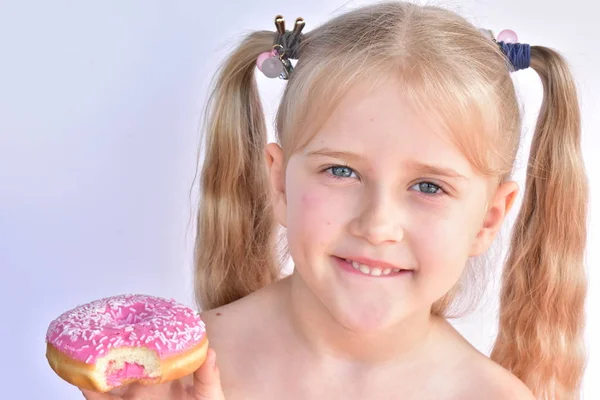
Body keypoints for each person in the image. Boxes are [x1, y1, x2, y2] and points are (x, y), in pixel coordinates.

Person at [83, 1, 589, 399]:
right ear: (279, 185)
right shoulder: (173, 374)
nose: (377, 224)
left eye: (429, 186)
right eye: (341, 171)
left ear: (488, 218)